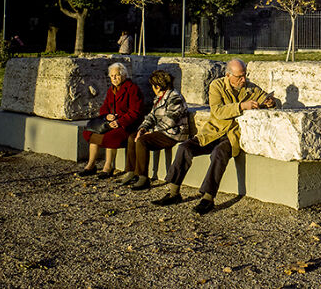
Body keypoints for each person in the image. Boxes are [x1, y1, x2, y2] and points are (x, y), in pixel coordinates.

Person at [152, 58, 275, 214]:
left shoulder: (250, 88)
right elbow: (218, 111)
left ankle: (208, 198)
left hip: (232, 134)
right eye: (239, 77)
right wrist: (241, 106)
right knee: (185, 148)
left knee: (219, 153)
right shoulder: (216, 86)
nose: (243, 79)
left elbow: (267, 98)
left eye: (244, 75)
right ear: (228, 75)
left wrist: (271, 102)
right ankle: (173, 192)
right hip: (213, 131)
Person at [77, 62, 145, 179]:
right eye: (112, 75)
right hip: (111, 122)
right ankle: (91, 165)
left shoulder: (132, 89)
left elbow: (135, 112)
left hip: (126, 125)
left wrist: (119, 122)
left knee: (110, 136)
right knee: (91, 133)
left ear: (124, 75)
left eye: (117, 75)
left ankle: (108, 167)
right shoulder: (111, 90)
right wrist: (107, 115)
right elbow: (104, 107)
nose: (114, 78)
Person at [126, 70, 190, 190]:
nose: (152, 88)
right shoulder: (159, 98)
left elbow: (170, 121)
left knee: (142, 141)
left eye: (153, 86)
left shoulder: (175, 98)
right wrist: (143, 128)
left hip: (173, 133)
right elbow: (151, 116)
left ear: (158, 86)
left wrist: (152, 131)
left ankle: (143, 177)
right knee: (132, 137)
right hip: (161, 130)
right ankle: (131, 171)